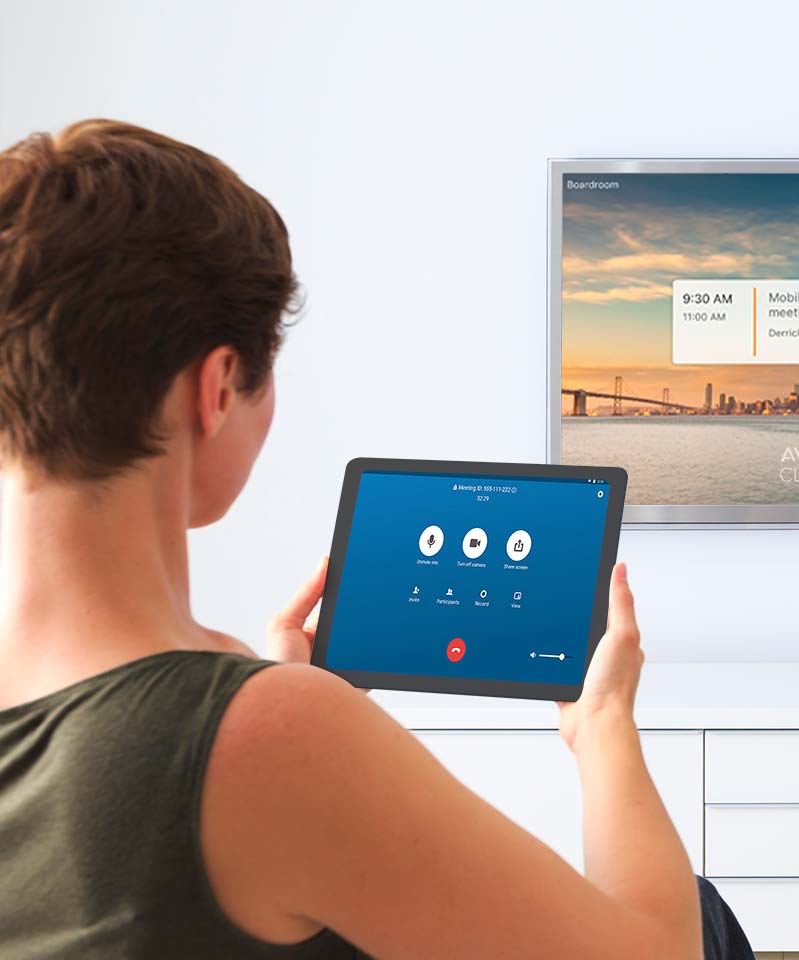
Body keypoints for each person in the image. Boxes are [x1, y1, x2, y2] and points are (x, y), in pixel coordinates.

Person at [0, 120, 754, 960]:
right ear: (215, 391)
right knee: (700, 915)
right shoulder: (265, 734)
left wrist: (277, 703)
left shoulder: (244, 720)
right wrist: (602, 719)